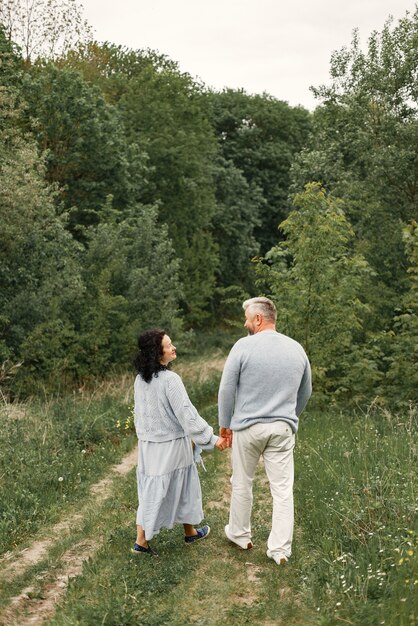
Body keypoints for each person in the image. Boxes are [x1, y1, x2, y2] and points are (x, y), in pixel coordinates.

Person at [218, 297, 312, 565]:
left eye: (248, 318)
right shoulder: (296, 349)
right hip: (282, 428)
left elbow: (226, 388)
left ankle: (240, 535)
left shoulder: (243, 346)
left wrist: (225, 424)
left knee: (242, 482)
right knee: (282, 490)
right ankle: (279, 550)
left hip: (247, 427)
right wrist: (290, 416)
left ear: (258, 319)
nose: (245, 323)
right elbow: (306, 391)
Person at [132, 328, 227, 556]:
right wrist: (211, 439)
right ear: (157, 353)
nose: (174, 348)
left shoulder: (140, 379)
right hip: (170, 445)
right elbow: (187, 414)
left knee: (173, 485)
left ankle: (190, 532)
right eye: (168, 345)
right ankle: (141, 542)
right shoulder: (170, 380)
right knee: (158, 489)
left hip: (149, 445)